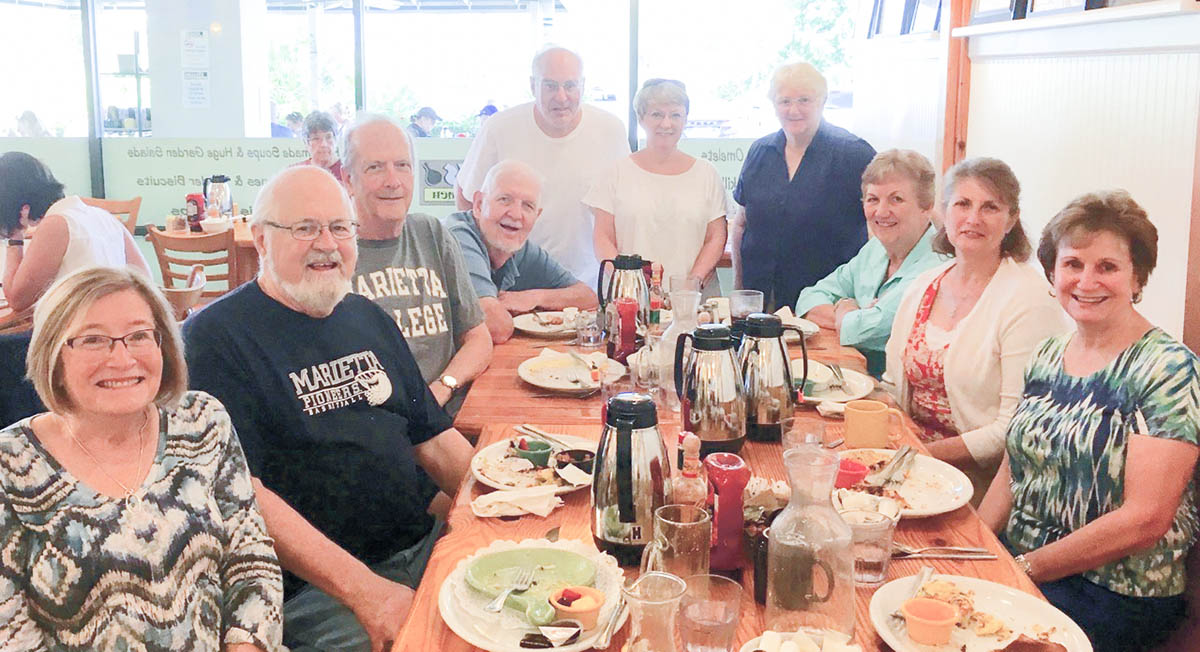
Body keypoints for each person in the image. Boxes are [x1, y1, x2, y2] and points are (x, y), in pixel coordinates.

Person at [183, 166, 474, 652]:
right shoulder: (213, 340)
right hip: (317, 592)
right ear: (261, 239)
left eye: (340, 228)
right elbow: (244, 497)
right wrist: (368, 593)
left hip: (422, 547)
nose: (328, 243)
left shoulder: (366, 315)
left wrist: (498, 510)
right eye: (305, 228)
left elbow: (434, 438)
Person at [0, 266, 283, 650]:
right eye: (94, 340)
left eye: (138, 336)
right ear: (54, 355)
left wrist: (246, 644)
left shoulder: (201, 421)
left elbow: (251, 560)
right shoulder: (11, 464)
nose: (122, 358)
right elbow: (10, 631)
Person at [979, 190, 1200, 651]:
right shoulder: (1047, 353)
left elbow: (1146, 520)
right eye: (1073, 264)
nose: (1087, 281)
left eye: (1108, 267)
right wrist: (979, 549)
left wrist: (1021, 569)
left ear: (1137, 277)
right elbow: (1014, 466)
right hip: (1025, 564)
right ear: (1053, 273)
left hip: (1116, 592)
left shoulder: (1167, 368)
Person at [884, 157, 1070, 498]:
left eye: (990, 207)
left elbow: (1012, 429)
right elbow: (892, 386)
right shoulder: (924, 285)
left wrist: (916, 457)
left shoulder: (1028, 298)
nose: (973, 218)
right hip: (909, 467)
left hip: (983, 486)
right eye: (963, 204)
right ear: (944, 212)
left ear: (1011, 219)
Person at [342, 114, 492, 415]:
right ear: (348, 180)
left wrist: (441, 390)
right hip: (379, 424)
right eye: (375, 167)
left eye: (402, 165)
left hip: (447, 413)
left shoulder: (432, 234)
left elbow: (478, 338)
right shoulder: (336, 253)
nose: (393, 181)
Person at [455, 46, 630, 284]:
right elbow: (467, 198)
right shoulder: (499, 128)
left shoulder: (611, 130)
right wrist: (485, 267)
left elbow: (622, 210)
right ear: (532, 85)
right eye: (550, 85)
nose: (561, 97)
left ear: (583, 86)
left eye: (570, 85)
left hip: (589, 284)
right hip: (513, 283)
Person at [731, 62, 876, 311]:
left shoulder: (853, 154)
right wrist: (739, 290)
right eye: (784, 101)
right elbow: (742, 224)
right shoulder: (760, 152)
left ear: (822, 100)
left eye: (804, 100)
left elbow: (877, 229)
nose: (793, 110)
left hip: (825, 305)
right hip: (760, 302)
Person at [795, 149, 944, 377]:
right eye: (873, 199)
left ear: (926, 207)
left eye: (897, 199)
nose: (882, 212)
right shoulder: (874, 249)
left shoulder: (936, 267)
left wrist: (848, 311)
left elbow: (862, 329)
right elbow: (808, 299)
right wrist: (850, 310)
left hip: (903, 394)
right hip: (855, 378)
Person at [584, 78, 728, 297]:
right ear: (641, 119)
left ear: (686, 118)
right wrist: (625, 282)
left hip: (693, 299)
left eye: (675, 115)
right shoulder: (615, 173)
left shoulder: (706, 173)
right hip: (629, 300)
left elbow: (716, 237)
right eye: (657, 114)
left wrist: (692, 282)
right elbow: (602, 237)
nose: (666, 124)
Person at [446, 159, 598, 343]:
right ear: (478, 204)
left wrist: (534, 297)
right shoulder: (459, 237)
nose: (516, 214)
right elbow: (496, 328)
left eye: (528, 206)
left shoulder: (521, 249)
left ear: (537, 215)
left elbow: (587, 297)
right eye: (504, 200)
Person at [0, 151, 151, 314]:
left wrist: (15, 238)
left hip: (78, 329)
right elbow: (145, 280)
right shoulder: (104, 216)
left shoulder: (56, 224)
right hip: (117, 324)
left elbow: (17, 300)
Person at [292, 110, 342, 179]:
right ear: (306, 142)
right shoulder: (295, 173)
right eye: (316, 138)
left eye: (328, 137)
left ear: (336, 139)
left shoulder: (349, 172)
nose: (323, 144)